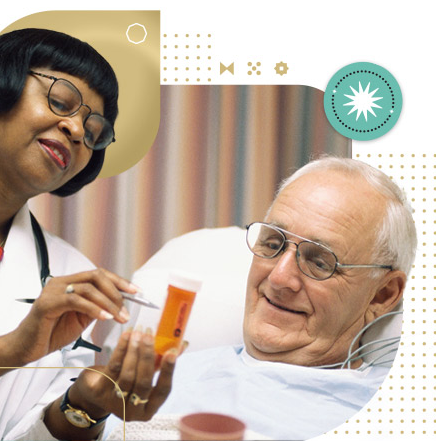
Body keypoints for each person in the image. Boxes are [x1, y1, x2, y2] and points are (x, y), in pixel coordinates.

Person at [0, 28, 176, 441]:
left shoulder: (72, 276)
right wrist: (8, 352)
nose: (77, 131)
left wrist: (84, 406)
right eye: (60, 102)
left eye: (94, 132)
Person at [104, 156, 417, 440]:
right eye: (272, 243)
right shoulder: (162, 377)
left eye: (320, 262)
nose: (280, 278)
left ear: (382, 295)